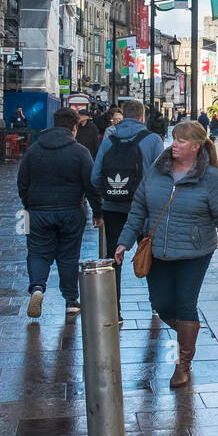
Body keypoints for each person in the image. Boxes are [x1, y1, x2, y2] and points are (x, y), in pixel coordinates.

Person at [114, 120, 218, 389]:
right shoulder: (157, 170)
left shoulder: (210, 177)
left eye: (181, 141)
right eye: (174, 139)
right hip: (158, 250)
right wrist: (124, 242)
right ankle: (189, 333)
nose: (174, 144)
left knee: (186, 302)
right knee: (162, 304)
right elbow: (139, 207)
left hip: (194, 252)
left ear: (196, 147)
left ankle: (182, 364)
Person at [18, 106, 103, 318]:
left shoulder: (34, 150)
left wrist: (30, 203)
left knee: (37, 252)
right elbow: (91, 185)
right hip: (71, 210)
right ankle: (71, 300)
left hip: (37, 212)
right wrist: (98, 212)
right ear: (74, 128)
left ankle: (37, 287)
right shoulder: (80, 152)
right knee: (68, 255)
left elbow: (22, 183)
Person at [91, 99, 163, 318]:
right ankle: (156, 304)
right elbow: (160, 178)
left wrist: (107, 196)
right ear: (142, 117)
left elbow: (95, 177)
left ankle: (115, 311)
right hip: (144, 208)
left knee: (114, 256)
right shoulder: (153, 140)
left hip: (113, 206)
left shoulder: (109, 139)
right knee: (150, 253)